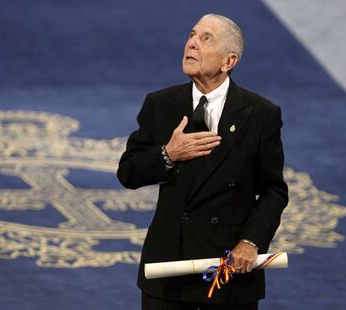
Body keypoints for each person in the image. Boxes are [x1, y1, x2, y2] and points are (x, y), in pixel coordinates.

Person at [117, 14, 288, 310]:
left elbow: (273, 190)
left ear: (228, 61)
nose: (192, 44)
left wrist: (251, 241)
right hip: (169, 271)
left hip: (228, 272)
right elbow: (128, 173)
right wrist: (168, 154)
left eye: (206, 38)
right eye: (192, 35)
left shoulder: (261, 114)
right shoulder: (160, 104)